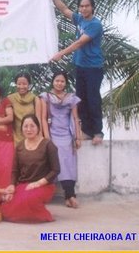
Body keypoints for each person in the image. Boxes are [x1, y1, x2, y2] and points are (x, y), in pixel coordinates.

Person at [49, 0, 104, 145]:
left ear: (92, 7)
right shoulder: (80, 19)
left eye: (87, 6)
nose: (84, 8)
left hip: (93, 67)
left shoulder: (95, 25)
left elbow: (80, 42)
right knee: (81, 99)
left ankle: (98, 131)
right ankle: (86, 130)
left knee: (93, 99)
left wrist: (61, 54)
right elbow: (64, 9)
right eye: (81, 6)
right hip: (80, 66)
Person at [1, 114, 60, 223]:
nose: (29, 129)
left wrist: (38, 183)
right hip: (24, 185)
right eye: (25, 126)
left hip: (44, 186)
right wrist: (12, 186)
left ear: (38, 127)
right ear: (22, 128)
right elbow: (15, 170)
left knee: (28, 200)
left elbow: (56, 170)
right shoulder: (19, 146)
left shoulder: (48, 145)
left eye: (32, 126)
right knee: (7, 204)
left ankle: (42, 214)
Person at [40, 71, 82, 208]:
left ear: (66, 83)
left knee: (68, 165)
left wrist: (78, 137)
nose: (59, 83)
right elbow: (43, 118)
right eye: (57, 80)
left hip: (67, 136)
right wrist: (47, 138)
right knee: (52, 165)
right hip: (52, 134)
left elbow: (76, 118)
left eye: (62, 81)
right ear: (53, 81)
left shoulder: (71, 98)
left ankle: (70, 196)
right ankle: (45, 196)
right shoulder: (46, 96)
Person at [7, 72, 42, 144]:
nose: (21, 86)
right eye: (19, 84)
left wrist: (40, 135)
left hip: (32, 134)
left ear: (29, 85)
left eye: (24, 84)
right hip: (15, 137)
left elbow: (38, 119)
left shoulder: (35, 99)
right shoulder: (10, 98)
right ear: (15, 84)